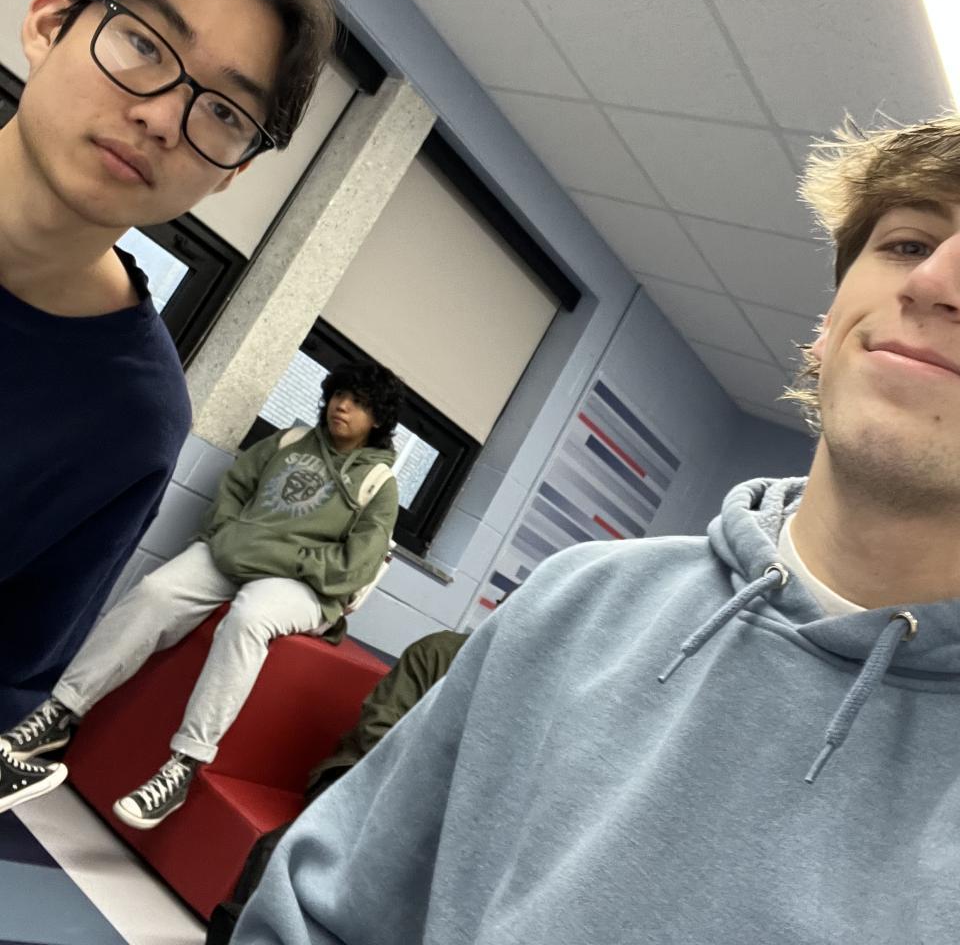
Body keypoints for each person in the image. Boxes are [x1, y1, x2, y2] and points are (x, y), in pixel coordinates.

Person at [233, 114, 960, 944]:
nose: (934, 278)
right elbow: (324, 913)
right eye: (908, 242)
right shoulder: (578, 599)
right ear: (827, 328)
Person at [0, 0, 337, 807]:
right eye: (145, 45)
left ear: (233, 173)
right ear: (50, 26)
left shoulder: (131, 420)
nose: (160, 115)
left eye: (223, 111)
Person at [0, 359, 403, 823]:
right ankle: (58, 713)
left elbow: (355, 568)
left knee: (249, 619)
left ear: (377, 420)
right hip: (236, 553)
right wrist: (229, 536)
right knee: (156, 591)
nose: (342, 406)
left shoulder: (380, 485)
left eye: (358, 403)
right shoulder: (289, 441)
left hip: (303, 583)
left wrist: (280, 558)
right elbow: (234, 490)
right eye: (339, 395)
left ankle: (184, 764)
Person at [206, 628, 468, 945]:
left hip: (433, 826)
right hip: (361, 777)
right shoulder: (439, 652)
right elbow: (376, 730)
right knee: (287, 847)